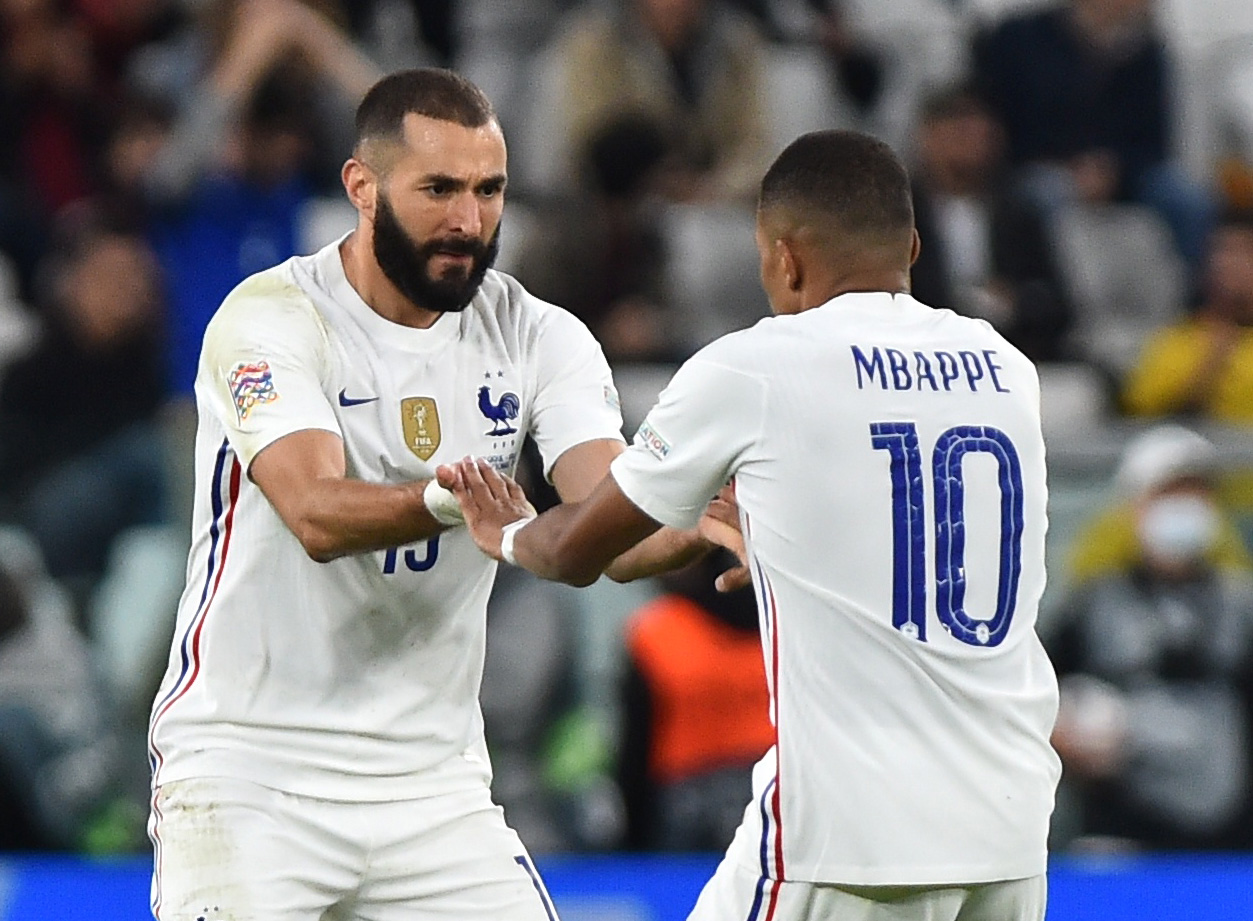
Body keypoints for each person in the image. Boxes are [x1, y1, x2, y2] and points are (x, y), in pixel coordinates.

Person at [443, 130, 1061, 920]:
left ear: (783, 258)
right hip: (1006, 825)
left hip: (848, 833)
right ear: (908, 245)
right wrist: (761, 533)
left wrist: (508, 531)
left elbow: (574, 551)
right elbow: (901, 512)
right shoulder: (1004, 368)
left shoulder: (757, 367)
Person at [145, 68, 715, 921]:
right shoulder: (268, 319)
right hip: (251, 768)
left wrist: (702, 520)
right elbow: (314, 511)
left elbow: (613, 527)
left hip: (431, 784)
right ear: (361, 187)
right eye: (439, 189)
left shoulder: (538, 335)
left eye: (489, 191)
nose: (467, 220)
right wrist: (452, 501)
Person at [1048, 425, 1253, 850]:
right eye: (1169, 493)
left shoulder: (1240, 605)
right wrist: (1068, 735)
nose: (1185, 508)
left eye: (1197, 494)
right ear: (1135, 505)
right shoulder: (1092, 605)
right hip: (1119, 834)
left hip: (1230, 842)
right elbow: (1035, 700)